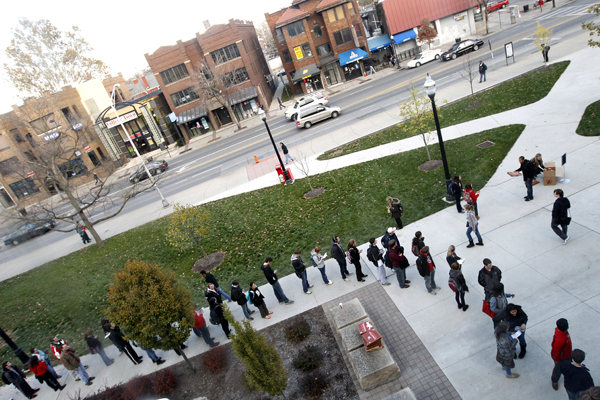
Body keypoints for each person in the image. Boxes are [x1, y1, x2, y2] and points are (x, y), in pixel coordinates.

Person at [551, 318, 573, 391]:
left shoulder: (564, 332)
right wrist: (557, 361)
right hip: (561, 358)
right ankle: (554, 380)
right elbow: (556, 352)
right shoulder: (560, 340)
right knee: (558, 369)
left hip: (567, 354)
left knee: (569, 365)